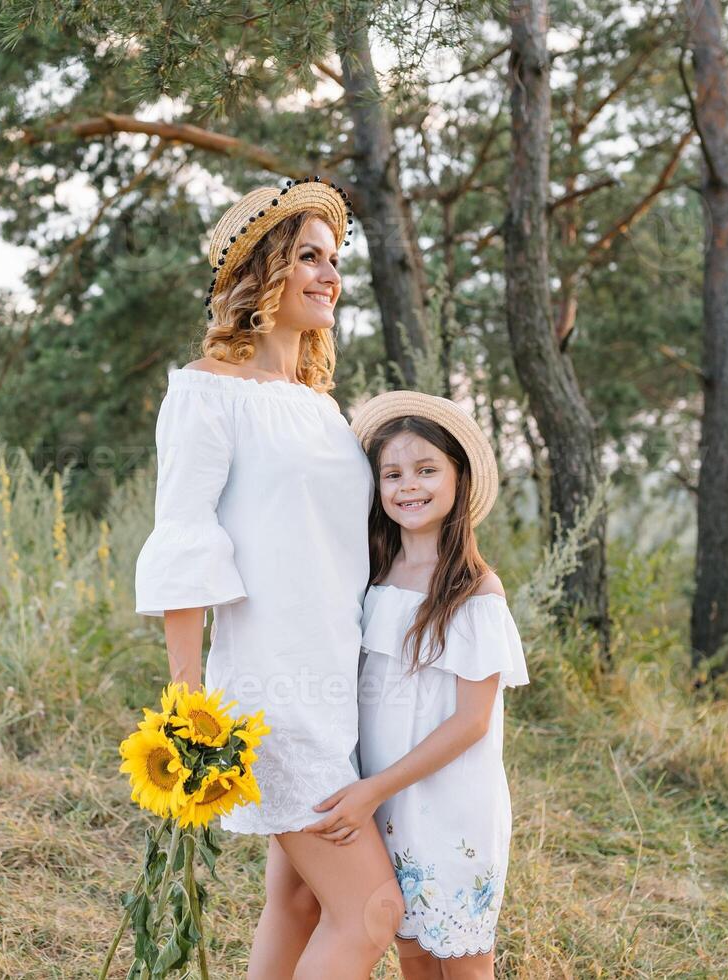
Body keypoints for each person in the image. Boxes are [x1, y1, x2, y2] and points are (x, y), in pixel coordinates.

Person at [133, 177, 403, 979]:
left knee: (300, 905)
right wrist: (188, 712)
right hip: (270, 696)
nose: (330, 275)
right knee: (370, 909)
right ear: (262, 274)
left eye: (334, 259)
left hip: (339, 681)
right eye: (308, 258)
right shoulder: (207, 392)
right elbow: (184, 543)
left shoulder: (318, 405)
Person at [305, 390, 529, 978]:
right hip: (381, 796)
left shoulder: (474, 591)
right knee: (411, 948)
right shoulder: (374, 575)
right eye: (393, 473)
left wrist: (374, 789)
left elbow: (471, 721)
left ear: (459, 477)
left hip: (449, 799)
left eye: (427, 470)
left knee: (462, 957)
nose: (409, 485)